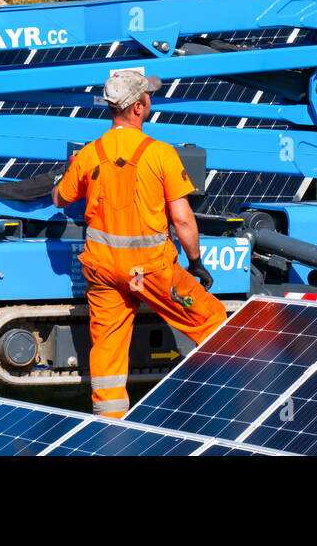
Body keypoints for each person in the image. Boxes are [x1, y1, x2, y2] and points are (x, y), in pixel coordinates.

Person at [52, 69, 227, 418]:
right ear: (137, 108)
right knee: (213, 320)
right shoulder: (160, 154)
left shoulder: (89, 154)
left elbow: (60, 197)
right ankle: (236, 396)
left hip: (102, 271)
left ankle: (109, 421)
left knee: (109, 344)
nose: (150, 101)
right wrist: (195, 262)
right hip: (151, 270)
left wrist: (58, 182)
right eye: (148, 97)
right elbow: (182, 219)